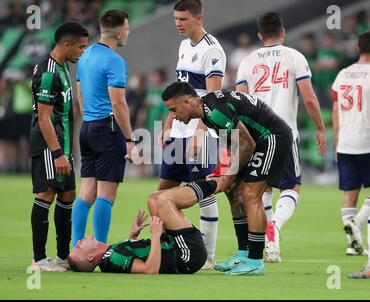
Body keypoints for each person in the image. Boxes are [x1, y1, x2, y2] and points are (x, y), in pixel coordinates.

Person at [224, 12, 326, 265]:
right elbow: (310, 98)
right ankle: (275, 228)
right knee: (291, 187)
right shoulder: (295, 57)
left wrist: (241, 140)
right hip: (284, 131)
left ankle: (270, 246)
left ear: (260, 35)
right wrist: (320, 128)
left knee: (260, 189)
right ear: (283, 31)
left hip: (256, 133)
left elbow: (240, 101)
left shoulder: (247, 60)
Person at [161, 81, 293, 275]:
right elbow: (235, 141)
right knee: (234, 192)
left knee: (250, 194)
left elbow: (247, 142)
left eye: (174, 109)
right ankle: (243, 253)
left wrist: (228, 175)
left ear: (188, 101)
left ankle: (256, 261)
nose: (173, 116)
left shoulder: (214, 111)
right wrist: (224, 171)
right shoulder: (207, 114)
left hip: (272, 137)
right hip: (256, 140)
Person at [158, 0, 226, 269]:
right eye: (176, 19)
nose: (178, 24)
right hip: (178, 131)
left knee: (202, 191)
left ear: (199, 18)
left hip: (201, 132)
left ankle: (208, 256)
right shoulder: (184, 45)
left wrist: (200, 131)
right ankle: (162, 246)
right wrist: (167, 124)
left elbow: (213, 98)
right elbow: (179, 95)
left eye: (183, 19)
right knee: (164, 188)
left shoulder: (212, 51)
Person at [72, 10, 136, 247]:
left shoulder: (85, 55)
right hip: (107, 130)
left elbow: (80, 94)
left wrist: (89, 117)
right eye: (127, 28)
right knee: (106, 194)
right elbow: (118, 102)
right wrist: (129, 138)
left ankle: (76, 247)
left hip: (87, 127)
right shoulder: (115, 61)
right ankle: (99, 248)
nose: (128, 32)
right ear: (118, 33)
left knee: (86, 191)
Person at [29, 22, 88, 271]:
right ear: (66, 44)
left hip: (63, 145)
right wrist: (57, 153)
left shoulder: (63, 68)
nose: (82, 52)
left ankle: (63, 257)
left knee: (67, 195)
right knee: (46, 194)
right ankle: (39, 260)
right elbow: (43, 118)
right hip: (48, 145)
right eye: (80, 47)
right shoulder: (48, 72)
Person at [67, 179, 217, 274]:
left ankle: (205, 185)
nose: (78, 242)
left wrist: (132, 237)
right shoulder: (112, 258)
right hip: (187, 256)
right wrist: (156, 235)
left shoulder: (109, 254)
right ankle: (216, 184)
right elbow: (150, 270)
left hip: (171, 247)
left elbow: (131, 253)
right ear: (91, 257)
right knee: (165, 201)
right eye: (79, 247)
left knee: (153, 198)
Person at [332, 31, 370, 259]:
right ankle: (357, 222)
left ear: (358, 49)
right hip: (367, 139)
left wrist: (337, 141)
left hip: (345, 141)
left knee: (349, 195)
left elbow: (336, 110)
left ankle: (351, 244)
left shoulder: (343, 74)